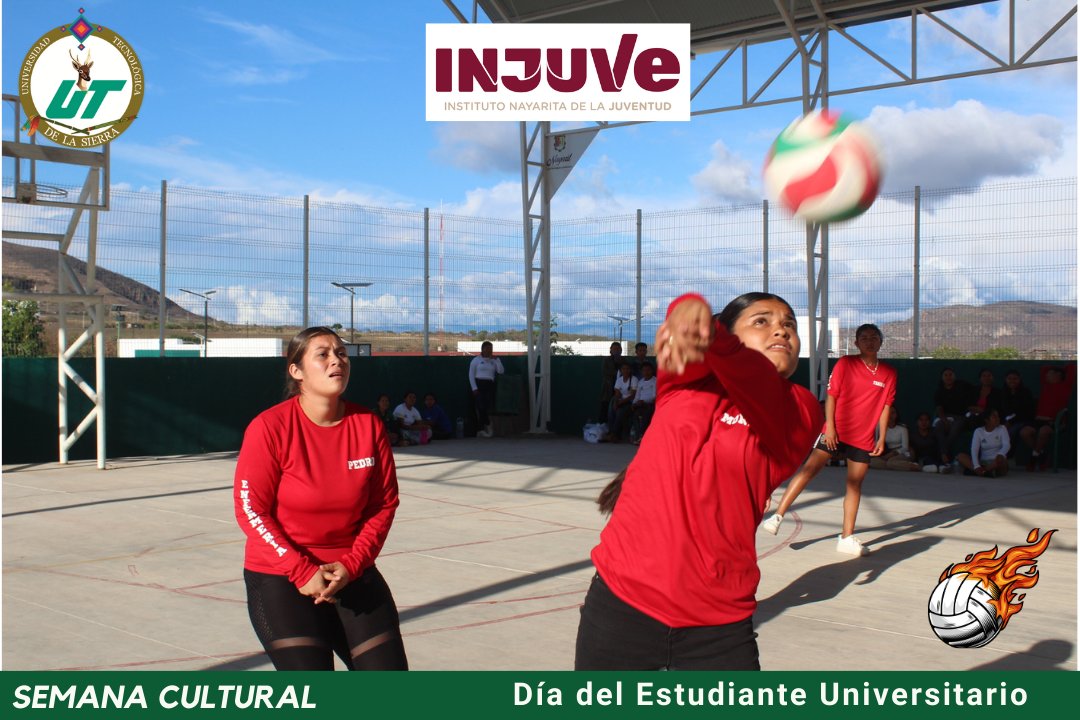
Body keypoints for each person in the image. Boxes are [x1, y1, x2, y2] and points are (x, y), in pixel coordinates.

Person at [575, 292, 823, 670]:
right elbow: (684, 334)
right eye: (762, 321)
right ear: (726, 332)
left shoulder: (800, 408)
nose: (782, 330)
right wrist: (688, 309)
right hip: (621, 604)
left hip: (718, 625)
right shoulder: (686, 383)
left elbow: (754, 378)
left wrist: (715, 335)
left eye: (789, 324)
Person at [233, 327, 408, 671]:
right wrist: (300, 571)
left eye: (341, 353)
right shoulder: (269, 428)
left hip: (350, 570)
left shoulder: (368, 425)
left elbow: (383, 504)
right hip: (282, 576)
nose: (336, 361)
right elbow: (251, 509)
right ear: (296, 371)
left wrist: (352, 565)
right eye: (323, 354)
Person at [762, 324, 896, 557]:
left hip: (863, 437)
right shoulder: (846, 363)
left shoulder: (889, 373)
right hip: (837, 430)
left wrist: (881, 436)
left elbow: (886, 406)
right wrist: (830, 428)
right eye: (864, 338)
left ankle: (846, 537)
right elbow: (832, 396)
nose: (870, 341)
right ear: (856, 343)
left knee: (854, 485)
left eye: (874, 337)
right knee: (809, 470)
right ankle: (777, 516)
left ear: (880, 342)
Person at [1022, 365, 1076, 471]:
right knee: (1024, 432)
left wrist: (1061, 369)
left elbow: (1072, 367)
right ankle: (1041, 455)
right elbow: (1044, 368)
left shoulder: (1065, 386)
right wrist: (1054, 370)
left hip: (1053, 422)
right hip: (1038, 420)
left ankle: (1034, 457)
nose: (1046, 375)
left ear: (1058, 375)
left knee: (1043, 431)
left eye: (1050, 374)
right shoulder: (1045, 385)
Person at [933, 367, 975, 466]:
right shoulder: (939, 391)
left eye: (950, 374)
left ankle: (943, 454)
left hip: (961, 417)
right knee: (938, 427)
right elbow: (939, 408)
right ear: (942, 377)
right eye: (946, 375)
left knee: (955, 429)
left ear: (954, 376)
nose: (948, 377)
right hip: (946, 417)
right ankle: (944, 456)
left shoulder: (963, 386)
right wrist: (944, 420)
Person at [957, 409, 1010, 477]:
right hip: (983, 462)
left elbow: (1006, 445)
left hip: (996, 461)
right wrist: (976, 465)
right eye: (994, 416)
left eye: (998, 416)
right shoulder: (979, 431)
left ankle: (980, 472)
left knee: (1002, 461)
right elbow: (974, 449)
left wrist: (1001, 454)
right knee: (960, 456)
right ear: (986, 420)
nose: (998, 418)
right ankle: (984, 472)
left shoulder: (1002, 428)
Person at [469, 341, 504, 438]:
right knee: (480, 407)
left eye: (491, 349)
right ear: (482, 349)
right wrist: (474, 388)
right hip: (479, 385)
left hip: (490, 385)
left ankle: (480, 430)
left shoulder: (494, 361)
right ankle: (488, 424)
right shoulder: (476, 360)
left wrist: (497, 360)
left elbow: (501, 371)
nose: (489, 351)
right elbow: (471, 375)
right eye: (487, 348)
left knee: (486, 407)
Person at [999, 369, 1036, 460]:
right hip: (1007, 421)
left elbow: (1025, 412)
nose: (1012, 381)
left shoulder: (1026, 392)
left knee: (1010, 432)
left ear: (1019, 379)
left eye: (1015, 378)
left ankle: (1007, 457)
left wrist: (1010, 421)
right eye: (1009, 378)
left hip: (1024, 421)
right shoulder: (1003, 393)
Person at [869, 407, 920, 472]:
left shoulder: (902, 428)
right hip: (889, 453)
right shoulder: (881, 428)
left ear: (896, 415)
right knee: (872, 461)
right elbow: (876, 443)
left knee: (891, 462)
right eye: (888, 413)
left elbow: (905, 448)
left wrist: (893, 453)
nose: (890, 415)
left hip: (904, 452)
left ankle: (914, 466)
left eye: (893, 413)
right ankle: (896, 466)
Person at [605, 361, 638, 442]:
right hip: (620, 401)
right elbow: (617, 393)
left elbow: (633, 396)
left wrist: (621, 402)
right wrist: (616, 402)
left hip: (630, 402)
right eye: (623, 369)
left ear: (630, 370)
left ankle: (614, 434)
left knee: (620, 413)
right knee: (612, 408)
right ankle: (611, 432)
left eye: (627, 369)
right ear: (620, 370)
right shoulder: (619, 380)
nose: (625, 370)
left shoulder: (634, 379)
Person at [630, 361, 657, 443]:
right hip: (640, 404)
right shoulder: (640, 382)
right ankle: (637, 436)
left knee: (646, 414)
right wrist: (634, 403)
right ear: (641, 372)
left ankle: (642, 436)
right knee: (635, 415)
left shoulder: (655, 381)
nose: (646, 372)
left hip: (651, 404)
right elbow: (637, 396)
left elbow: (654, 396)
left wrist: (644, 401)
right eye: (644, 370)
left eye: (648, 370)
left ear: (652, 371)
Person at [598, 341, 623, 421]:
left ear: (621, 350)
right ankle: (603, 423)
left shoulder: (623, 360)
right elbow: (605, 371)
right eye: (614, 349)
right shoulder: (606, 360)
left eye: (618, 349)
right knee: (605, 404)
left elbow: (625, 372)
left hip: (620, 387)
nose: (616, 350)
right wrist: (617, 373)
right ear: (611, 350)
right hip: (608, 386)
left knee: (617, 405)